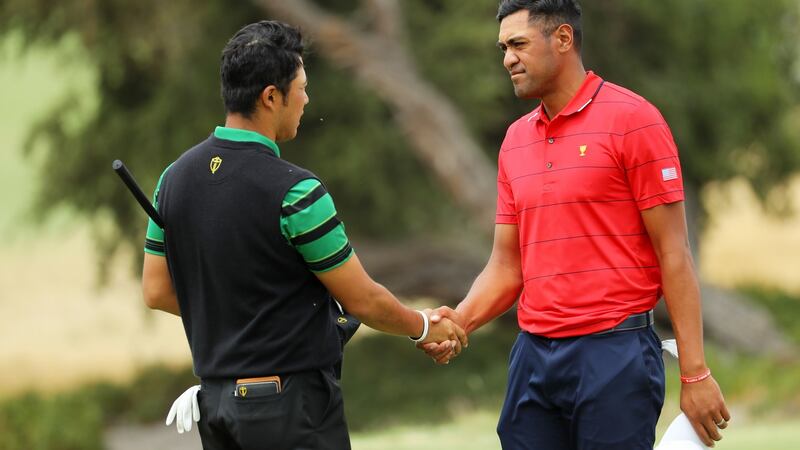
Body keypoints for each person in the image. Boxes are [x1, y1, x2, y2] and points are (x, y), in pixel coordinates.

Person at [141, 20, 466, 450]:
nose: (307, 99)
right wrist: (424, 326)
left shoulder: (171, 180)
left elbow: (156, 291)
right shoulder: (295, 191)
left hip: (216, 405)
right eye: (302, 87)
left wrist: (234, 322)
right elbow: (363, 300)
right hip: (290, 410)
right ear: (271, 97)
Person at [421, 1, 729, 448]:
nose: (508, 58)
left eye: (519, 44)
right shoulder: (515, 140)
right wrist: (460, 321)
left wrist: (695, 373)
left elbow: (673, 254)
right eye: (504, 47)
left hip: (615, 353)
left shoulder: (634, 121)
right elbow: (508, 266)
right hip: (533, 355)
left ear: (563, 39)